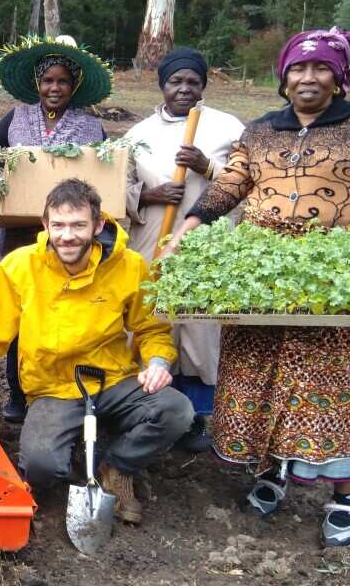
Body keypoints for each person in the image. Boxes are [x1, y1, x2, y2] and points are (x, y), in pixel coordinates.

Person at [163, 28, 350, 548]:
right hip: (260, 284)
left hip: (328, 285)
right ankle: (272, 474)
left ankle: (343, 494)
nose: (308, 78)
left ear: (339, 76)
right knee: (256, 384)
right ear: (283, 78)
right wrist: (183, 236)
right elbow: (227, 187)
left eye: (321, 68)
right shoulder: (262, 131)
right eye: (298, 69)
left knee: (321, 393)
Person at [0, 179, 193, 524]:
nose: (67, 236)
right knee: (41, 468)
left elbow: (151, 328)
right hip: (53, 386)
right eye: (59, 225)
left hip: (112, 379)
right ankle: (74, 449)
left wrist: (157, 362)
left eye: (79, 225)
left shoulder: (129, 266)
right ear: (45, 224)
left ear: (98, 225)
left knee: (175, 410)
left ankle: (118, 465)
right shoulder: (20, 267)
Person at [124, 46, 244, 451]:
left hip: (206, 247)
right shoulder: (137, 134)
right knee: (154, 322)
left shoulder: (228, 129)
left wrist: (208, 168)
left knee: (199, 330)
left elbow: (253, 184)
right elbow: (115, 188)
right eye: (176, 81)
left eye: (193, 82)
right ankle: (148, 406)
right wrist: (148, 195)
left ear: (204, 86)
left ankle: (195, 419)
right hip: (152, 241)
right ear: (163, 85)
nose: (184, 89)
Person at [0, 34, 111, 423]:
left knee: (62, 312)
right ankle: (17, 392)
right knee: (21, 311)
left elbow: (104, 177)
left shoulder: (91, 127)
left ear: (73, 85)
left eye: (62, 81)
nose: (54, 88)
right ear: (37, 84)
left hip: (68, 238)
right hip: (22, 235)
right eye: (47, 81)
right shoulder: (16, 118)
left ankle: (57, 390)